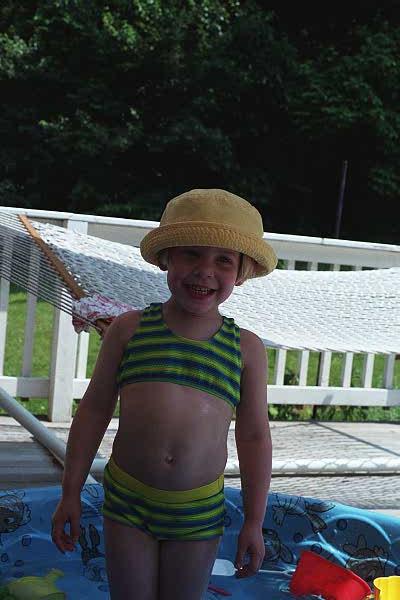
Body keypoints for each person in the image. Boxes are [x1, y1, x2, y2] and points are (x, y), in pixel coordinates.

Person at [51, 188, 277, 600]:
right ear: (166, 257)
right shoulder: (129, 329)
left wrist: (253, 521)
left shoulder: (245, 349)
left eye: (223, 261)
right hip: (128, 500)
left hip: (197, 509)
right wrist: (71, 492)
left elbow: (255, 436)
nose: (204, 271)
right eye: (191, 254)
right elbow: (94, 411)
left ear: (241, 273)